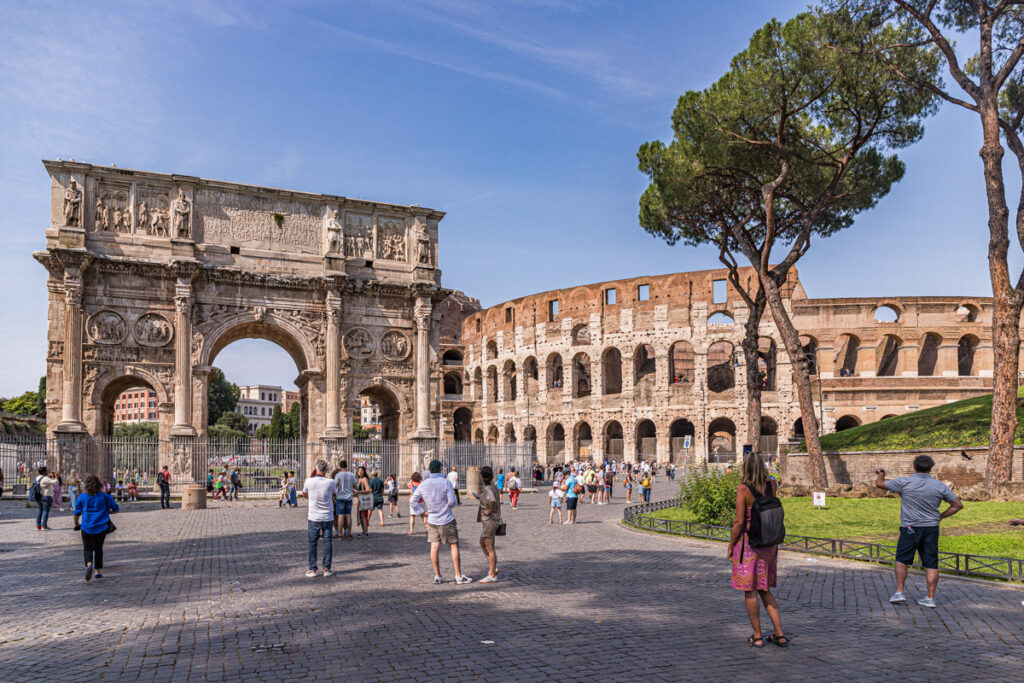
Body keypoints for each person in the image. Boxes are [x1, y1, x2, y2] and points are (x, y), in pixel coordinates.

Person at [876, 456, 963, 608]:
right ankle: (930, 598)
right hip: (931, 528)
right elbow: (957, 505)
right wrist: (940, 516)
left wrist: (881, 472)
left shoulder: (904, 482)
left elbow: (880, 484)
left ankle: (899, 593)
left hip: (910, 527)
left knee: (902, 559)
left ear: (914, 466)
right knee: (931, 563)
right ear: (930, 468)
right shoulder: (939, 486)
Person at [727, 453, 787, 648]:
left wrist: (730, 545)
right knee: (764, 588)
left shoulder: (743, 489)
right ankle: (779, 634)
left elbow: (739, 522)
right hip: (769, 543)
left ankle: (758, 635)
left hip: (749, 544)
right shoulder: (771, 484)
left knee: (750, 589)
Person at [409, 459, 472, 584]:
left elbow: (412, 501)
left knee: (434, 547)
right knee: (453, 546)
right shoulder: (445, 482)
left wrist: (422, 511)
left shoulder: (423, 484)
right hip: (446, 518)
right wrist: (446, 506)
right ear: (440, 469)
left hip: (432, 519)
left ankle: (438, 575)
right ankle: (458, 576)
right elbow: (453, 502)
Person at [73, 474, 119, 581]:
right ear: (98, 484)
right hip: (101, 527)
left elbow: (76, 513)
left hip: (86, 527)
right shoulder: (105, 496)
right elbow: (116, 509)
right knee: (98, 549)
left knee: (87, 548)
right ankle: (97, 571)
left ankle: (89, 564)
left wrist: (76, 523)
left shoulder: (82, 497)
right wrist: (107, 512)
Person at [301, 459, 336, 578]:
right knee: (327, 542)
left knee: (312, 543)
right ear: (327, 470)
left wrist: (312, 498)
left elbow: (304, 494)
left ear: (316, 469)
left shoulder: (309, 481)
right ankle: (327, 568)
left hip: (314, 516)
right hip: (327, 516)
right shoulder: (331, 482)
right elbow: (333, 494)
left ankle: (313, 569)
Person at [475, 465, 501, 583]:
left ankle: (492, 574)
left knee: (490, 547)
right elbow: (491, 498)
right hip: (492, 521)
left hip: (490, 520)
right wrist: (480, 498)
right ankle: (493, 567)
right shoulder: (492, 487)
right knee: (482, 543)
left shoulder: (488, 489)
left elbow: (493, 501)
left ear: (482, 476)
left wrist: (489, 511)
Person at [333, 461, 356, 539]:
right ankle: (349, 533)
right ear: (347, 466)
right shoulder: (351, 475)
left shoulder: (338, 475)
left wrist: (334, 493)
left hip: (340, 497)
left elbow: (335, 485)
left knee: (340, 516)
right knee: (348, 515)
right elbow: (355, 485)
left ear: (340, 466)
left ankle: (340, 534)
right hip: (349, 497)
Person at [354, 466, 372, 537]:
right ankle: (363, 531)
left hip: (364, 499)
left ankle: (365, 532)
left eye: (361, 470)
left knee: (363, 515)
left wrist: (358, 492)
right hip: (360, 499)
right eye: (359, 470)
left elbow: (368, 490)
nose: (360, 472)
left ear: (364, 471)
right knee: (360, 516)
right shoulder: (358, 480)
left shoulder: (364, 479)